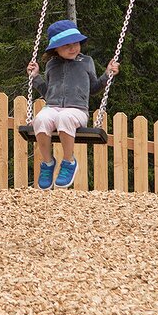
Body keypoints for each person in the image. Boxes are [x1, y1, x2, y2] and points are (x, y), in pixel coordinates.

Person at [26, 19, 119, 190]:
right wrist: (36, 77)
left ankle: (69, 161)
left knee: (65, 117)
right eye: (66, 45)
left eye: (75, 43)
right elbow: (49, 93)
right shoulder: (51, 65)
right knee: (40, 119)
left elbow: (94, 88)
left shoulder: (86, 62)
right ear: (55, 48)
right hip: (52, 107)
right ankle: (47, 163)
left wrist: (107, 75)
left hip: (77, 110)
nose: (72, 48)